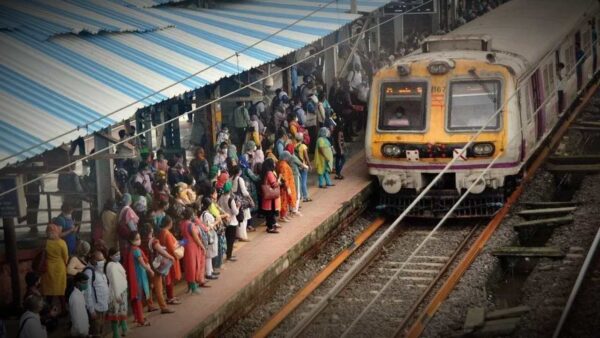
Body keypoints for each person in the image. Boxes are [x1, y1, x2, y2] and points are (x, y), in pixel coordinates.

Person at [141, 224, 175, 314]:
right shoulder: (153, 241)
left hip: (145, 266)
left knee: (148, 286)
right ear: (151, 231)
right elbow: (161, 251)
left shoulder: (141, 241)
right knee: (159, 288)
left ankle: (150, 305)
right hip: (155, 267)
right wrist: (170, 257)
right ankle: (163, 307)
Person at [126, 231, 153, 326]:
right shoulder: (136, 250)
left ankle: (137, 317)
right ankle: (141, 319)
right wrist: (150, 271)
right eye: (137, 239)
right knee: (138, 298)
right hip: (139, 276)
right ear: (131, 240)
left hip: (135, 276)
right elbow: (142, 263)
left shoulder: (130, 249)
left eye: (139, 238)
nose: (139, 240)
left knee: (135, 298)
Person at [41, 223, 68, 315]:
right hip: (59, 268)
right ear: (57, 232)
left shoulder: (45, 243)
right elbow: (66, 257)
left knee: (49, 292)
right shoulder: (62, 243)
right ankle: (63, 310)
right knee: (61, 291)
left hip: (48, 268)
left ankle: (48, 311)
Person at [83, 250, 109, 338]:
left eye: (103, 260)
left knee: (101, 331)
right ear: (93, 260)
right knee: (96, 333)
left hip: (103, 306)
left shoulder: (99, 269)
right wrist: (91, 310)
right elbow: (87, 293)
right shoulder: (89, 272)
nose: (102, 262)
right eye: (100, 260)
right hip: (96, 309)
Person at [158, 216, 183, 303]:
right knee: (169, 279)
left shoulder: (161, 232)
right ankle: (170, 298)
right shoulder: (167, 234)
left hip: (165, 257)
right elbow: (172, 248)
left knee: (169, 278)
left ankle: (170, 296)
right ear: (169, 223)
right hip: (169, 258)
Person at [105, 248, 128, 338]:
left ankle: (124, 328)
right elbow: (114, 281)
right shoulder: (111, 265)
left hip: (122, 290)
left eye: (119, 254)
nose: (118, 256)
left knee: (122, 311)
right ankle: (116, 334)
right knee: (114, 314)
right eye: (116, 255)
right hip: (116, 292)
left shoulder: (117, 263)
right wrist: (117, 294)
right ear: (110, 256)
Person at [218, 181, 240, 261]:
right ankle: (229, 255)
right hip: (232, 222)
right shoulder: (231, 200)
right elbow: (235, 212)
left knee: (226, 238)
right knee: (231, 240)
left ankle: (227, 254)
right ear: (230, 189)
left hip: (224, 221)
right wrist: (238, 207)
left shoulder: (221, 197)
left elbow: (219, 207)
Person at [231, 165, 253, 241]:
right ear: (239, 171)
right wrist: (250, 198)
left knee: (238, 218)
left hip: (234, 201)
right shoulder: (240, 179)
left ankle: (238, 235)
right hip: (242, 201)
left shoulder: (231, 179)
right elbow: (244, 192)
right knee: (243, 218)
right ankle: (243, 236)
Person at [200, 198, 220, 280]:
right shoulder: (207, 215)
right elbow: (210, 226)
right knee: (209, 255)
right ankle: (208, 273)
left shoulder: (203, 214)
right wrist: (217, 221)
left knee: (210, 254)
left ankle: (210, 270)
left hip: (208, 236)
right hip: (209, 236)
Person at [117, 193, 139, 270]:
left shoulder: (121, 209)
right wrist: (136, 237)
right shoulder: (128, 210)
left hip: (122, 237)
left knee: (124, 255)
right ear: (130, 201)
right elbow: (131, 226)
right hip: (129, 238)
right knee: (129, 257)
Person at [260, 158, 281, 233]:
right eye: (273, 163)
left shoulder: (264, 172)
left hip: (267, 195)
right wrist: (279, 181)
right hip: (271, 197)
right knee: (271, 212)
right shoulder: (270, 173)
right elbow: (274, 184)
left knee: (269, 212)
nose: (275, 164)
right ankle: (270, 227)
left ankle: (270, 226)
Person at [69, 272, 90, 337]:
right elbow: (76, 318)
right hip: (80, 333)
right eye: (84, 283)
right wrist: (82, 333)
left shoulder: (80, 293)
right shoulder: (75, 298)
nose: (86, 284)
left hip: (84, 330)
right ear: (77, 283)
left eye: (87, 282)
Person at [295, 134, 312, 202]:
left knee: (300, 181)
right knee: (304, 182)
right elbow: (306, 157)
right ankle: (305, 196)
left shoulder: (294, 146)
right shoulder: (303, 146)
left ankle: (301, 196)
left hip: (298, 166)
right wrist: (309, 165)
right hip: (304, 166)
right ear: (301, 139)